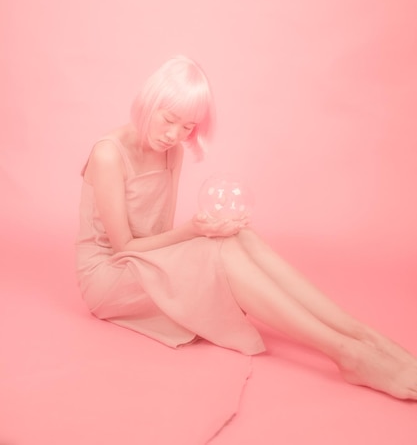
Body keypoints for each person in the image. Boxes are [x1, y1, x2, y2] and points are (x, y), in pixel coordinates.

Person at [76, 55, 417, 401]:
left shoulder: (172, 151)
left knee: (238, 235)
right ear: (149, 103)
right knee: (214, 250)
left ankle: (362, 335)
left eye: (188, 127)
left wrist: (207, 229)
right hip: (109, 274)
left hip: (145, 259)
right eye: (169, 120)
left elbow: (160, 234)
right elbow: (124, 247)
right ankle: (346, 353)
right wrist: (193, 233)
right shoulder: (108, 154)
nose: (174, 134)